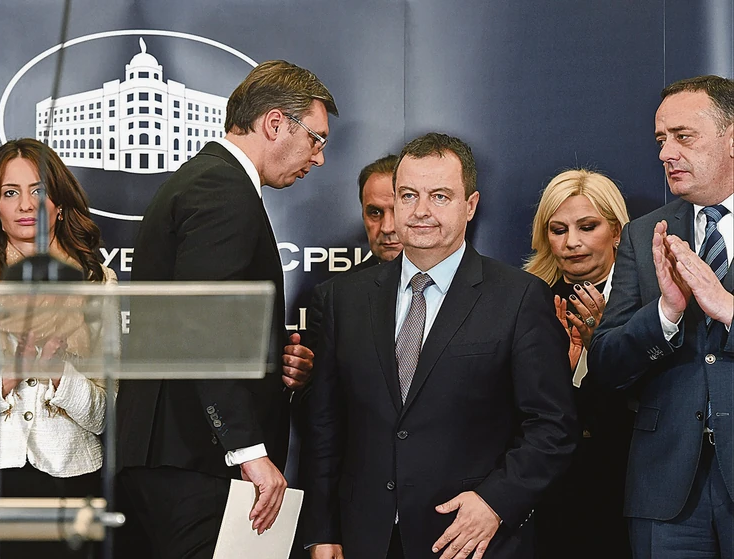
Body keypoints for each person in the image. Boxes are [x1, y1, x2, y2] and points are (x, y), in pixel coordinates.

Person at [301, 133, 578, 559]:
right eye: (408, 195)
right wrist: (322, 530)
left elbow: (552, 426)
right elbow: (325, 425)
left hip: (470, 540)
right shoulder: (342, 299)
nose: (421, 211)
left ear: (470, 205)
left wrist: (495, 502)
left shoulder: (520, 298)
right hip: (364, 539)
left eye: (440, 196)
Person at [116, 59, 336, 559]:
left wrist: (273, 358)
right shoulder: (222, 190)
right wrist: (249, 451)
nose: (320, 158)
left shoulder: (205, 180)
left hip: (176, 458)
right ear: (275, 123)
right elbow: (202, 326)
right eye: (316, 139)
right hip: (196, 459)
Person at [0, 138, 116, 558]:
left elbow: (104, 415)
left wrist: (58, 374)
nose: (26, 204)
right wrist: (7, 376)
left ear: (60, 204)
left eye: (38, 190)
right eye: (10, 193)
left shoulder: (97, 281)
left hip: (72, 474)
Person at [588, 75, 734, 557]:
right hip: (665, 492)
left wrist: (728, 310)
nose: (666, 153)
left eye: (683, 136)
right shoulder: (644, 233)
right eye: (660, 140)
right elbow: (606, 365)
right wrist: (665, 314)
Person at [523, 169, 633, 558]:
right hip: (551, 496)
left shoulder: (651, 298)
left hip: (628, 488)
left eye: (587, 227)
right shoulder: (526, 300)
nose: (572, 242)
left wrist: (604, 347)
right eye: (558, 230)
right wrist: (559, 371)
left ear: (616, 231)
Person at [305, 153, 402, 351]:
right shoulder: (332, 298)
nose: (387, 227)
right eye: (375, 213)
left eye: (398, 211)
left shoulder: (457, 286)